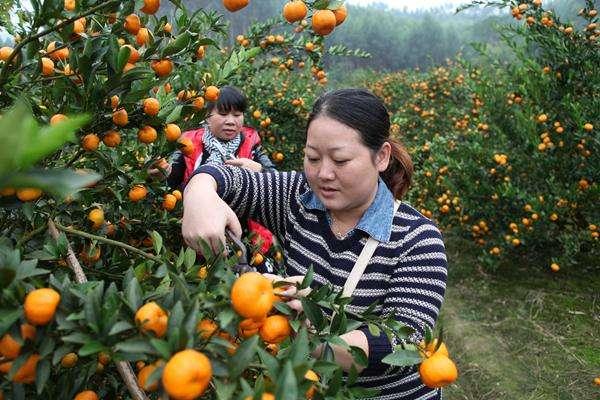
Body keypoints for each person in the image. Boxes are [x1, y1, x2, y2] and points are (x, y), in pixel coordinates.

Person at [181, 88, 448, 399]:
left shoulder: (419, 239)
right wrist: (198, 193)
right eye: (312, 157)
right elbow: (228, 179)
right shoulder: (299, 197)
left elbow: (405, 340)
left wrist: (314, 325)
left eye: (341, 160)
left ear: (382, 157)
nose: (323, 173)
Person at [151, 85, 276, 253]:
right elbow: (172, 180)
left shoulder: (252, 144)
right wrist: (162, 174)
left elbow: (277, 182)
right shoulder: (188, 143)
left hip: (246, 235)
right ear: (207, 117)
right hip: (200, 232)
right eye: (223, 114)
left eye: (237, 115)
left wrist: (259, 170)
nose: (231, 121)